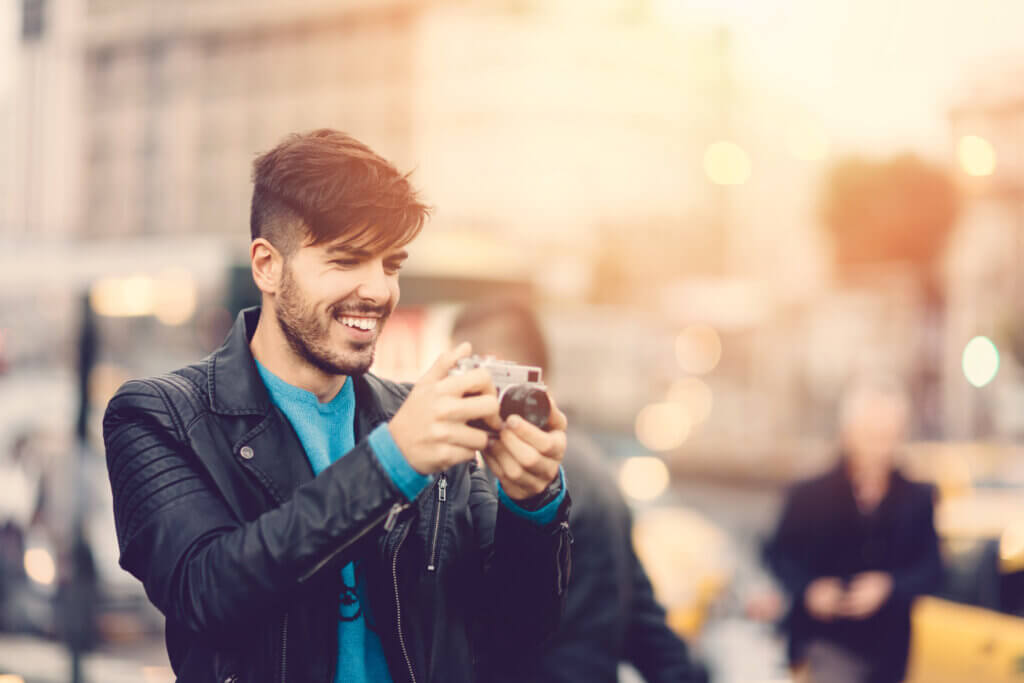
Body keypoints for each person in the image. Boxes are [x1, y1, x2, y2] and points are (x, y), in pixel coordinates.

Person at [102, 129, 572, 683]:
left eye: (391, 265)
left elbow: (513, 633)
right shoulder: (158, 416)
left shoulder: (422, 421)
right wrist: (393, 461)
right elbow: (209, 592)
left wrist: (532, 503)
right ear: (267, 266)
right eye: (347, 260)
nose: (378, 290)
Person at [451, 299, 705, 683]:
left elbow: (491, 632)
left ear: (499, 371)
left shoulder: (511, 481)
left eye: (463, 370)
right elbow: (642, 618)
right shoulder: (597, 470)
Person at [763, 375, 943, 683]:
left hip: (889, 650)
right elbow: (776, 553)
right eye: (871, 434)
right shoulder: (808, 493)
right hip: (824, 641)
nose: (880, 446)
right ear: (848, 433)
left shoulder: (919, 496)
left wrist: (888, 587)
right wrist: (809, 589)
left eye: (889, 435)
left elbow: (934, 568)